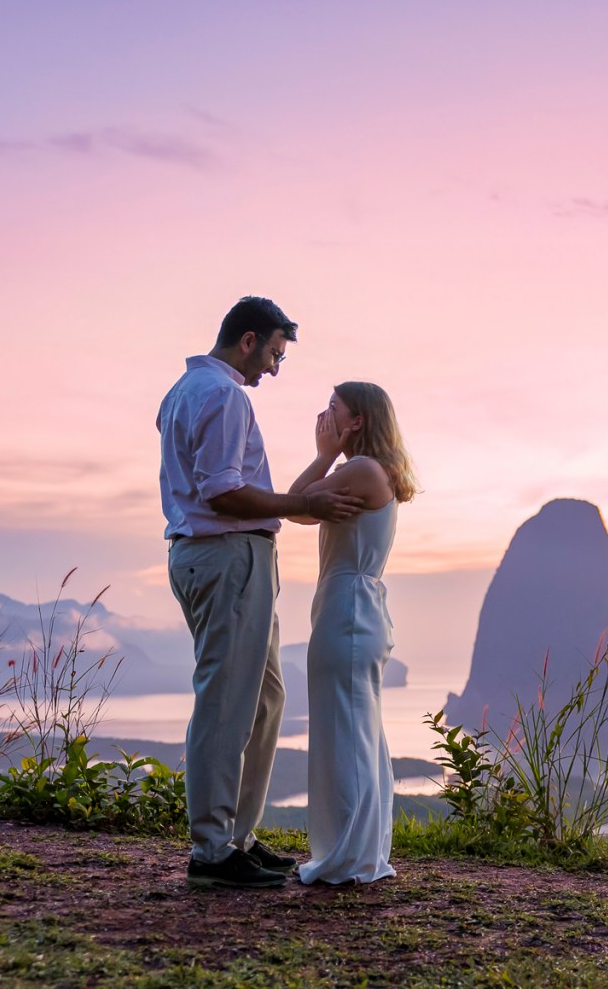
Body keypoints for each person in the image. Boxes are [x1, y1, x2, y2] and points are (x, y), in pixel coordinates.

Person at [158, 296, 359, 889]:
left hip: (220, 556)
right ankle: (212, 851)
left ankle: (235, 837)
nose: (274, 367)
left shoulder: (182, 391)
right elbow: (222, 492)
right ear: (247, 341)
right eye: (274, 352)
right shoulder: (223, 395)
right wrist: (304, 503)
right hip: (227, 556)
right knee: (226, 700)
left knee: (265, 697)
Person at [289, 381, 417, 884]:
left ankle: (350, 856)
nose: (324, 416)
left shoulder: (361, 471)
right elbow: (300, 509)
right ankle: (356, 850)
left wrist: (323, 456)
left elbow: (292, 502)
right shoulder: (367, 471)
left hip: (348, 609)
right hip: (351, 606)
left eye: (332, 409)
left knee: (346, 732)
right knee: (355, 730)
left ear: (357, 420)